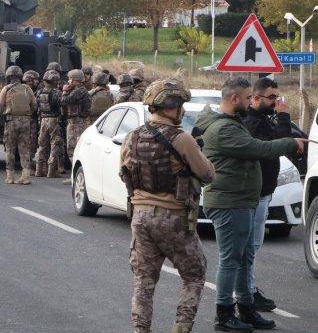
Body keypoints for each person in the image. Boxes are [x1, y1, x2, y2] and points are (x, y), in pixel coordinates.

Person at [194, 77, 307, 332]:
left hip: (242, 200)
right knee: (231, 259)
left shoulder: (232, 123)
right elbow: (257, 148)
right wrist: (290, 142)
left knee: (244, 257)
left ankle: (245, 308)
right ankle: (224, 313)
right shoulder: (224, 128)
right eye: (247, 98)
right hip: (229, 201)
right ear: (234, 99)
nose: (251, 102)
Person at [120, 78, 215, 333]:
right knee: (194, 275)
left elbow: (125, 172)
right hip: (173, 216)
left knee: (143, 281)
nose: (183, 110)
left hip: (140, 217)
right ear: (171, 107)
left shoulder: (132, 137)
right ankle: (180, 328)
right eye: (181, 105)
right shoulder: (182, 139)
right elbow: (207, 174)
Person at [241, 78, 292, 312]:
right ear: (255, 98)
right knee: (249, 248)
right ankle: (246, 295)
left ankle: (248, 291)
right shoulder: (253, 122)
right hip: (254, 193)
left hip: (263, 191)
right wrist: (284, 117)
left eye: (277, 97)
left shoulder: (260, 119)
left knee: (252, 247)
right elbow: (278, 144)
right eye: (271, 98)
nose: (276, 102)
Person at [0, 66, 37, 185]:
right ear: (21, 76)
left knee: (10, 149)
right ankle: (26, 176)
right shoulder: (28, 88)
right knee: (24, 149)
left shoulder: (6, 89)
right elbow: (34, 106)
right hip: (25, 122)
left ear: (8, 76)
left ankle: (10, 176)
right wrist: (26, 115)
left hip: (11, 122)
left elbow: (0, 107)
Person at [60, 69, 91, 185]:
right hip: (75, 122)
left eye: (70, 79)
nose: (68, 81)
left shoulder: (79, 91)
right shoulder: (79, 90)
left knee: (73, 149)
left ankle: (75, 176)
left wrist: (64, 91)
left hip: (77, 123)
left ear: (76, 80)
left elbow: (64, 101)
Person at [34, 70, 63, 178]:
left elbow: (35, 106)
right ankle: (51, 170)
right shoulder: (57, 93)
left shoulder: (39, 92)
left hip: (43, 120)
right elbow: (62, 104)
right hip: (54, 120)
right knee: (55, 144)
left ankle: (38, 169)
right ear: (54, 81)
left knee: (42, 145)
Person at [22, 70, 41, 163]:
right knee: (30, 143)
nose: (37, 81)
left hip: (23, 120)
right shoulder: (28, 92)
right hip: (29, 120)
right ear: (29, 80)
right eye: (35, 79)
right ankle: (27, 165)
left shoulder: (20, 90)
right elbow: (34, 107)